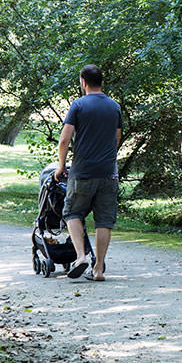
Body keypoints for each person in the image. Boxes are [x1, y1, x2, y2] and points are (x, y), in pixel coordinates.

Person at [55, 64, 123, 281]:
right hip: (108, 173)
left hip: (83, 172)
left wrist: (61, 165)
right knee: (104, 221)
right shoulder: (114, 107)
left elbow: (65, 139)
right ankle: (99, 269)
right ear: (100, 81)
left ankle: (81, 256)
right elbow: (116, 138)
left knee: (72, 212)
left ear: (83, 81)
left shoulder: (79, 105)